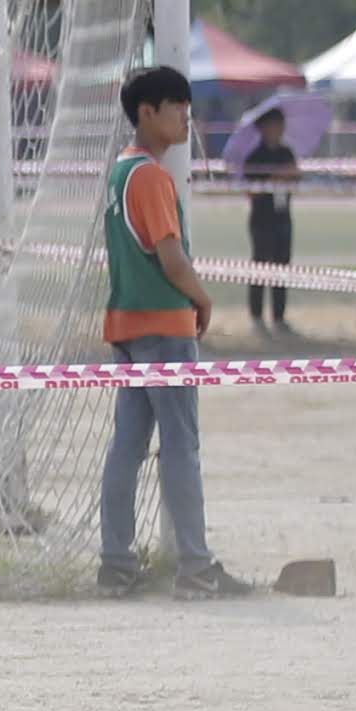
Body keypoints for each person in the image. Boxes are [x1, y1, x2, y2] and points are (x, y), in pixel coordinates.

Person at [96, 64, 244, 601]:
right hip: (164, 323)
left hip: (127, 325)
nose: (187, 115)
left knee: (128, 446)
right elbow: (172, 258)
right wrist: (202, 299)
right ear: (145, 112)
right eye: (175, 105)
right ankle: (196, 569)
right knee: (181, 445)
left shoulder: (119, 173)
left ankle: (116, 564)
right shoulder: (152, 178)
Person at [236, 103, 300, 340]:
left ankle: (279, 317)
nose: (278, 129)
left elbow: (296, 181)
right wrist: (274, 178)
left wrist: (292, 176)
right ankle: (256, 316)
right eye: (273, 125)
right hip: (261, 219)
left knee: (282, 267)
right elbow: (250, 191)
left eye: (280, 125)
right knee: (260, 268)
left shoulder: (287, 153)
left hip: (283, 217)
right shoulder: (255, 157)